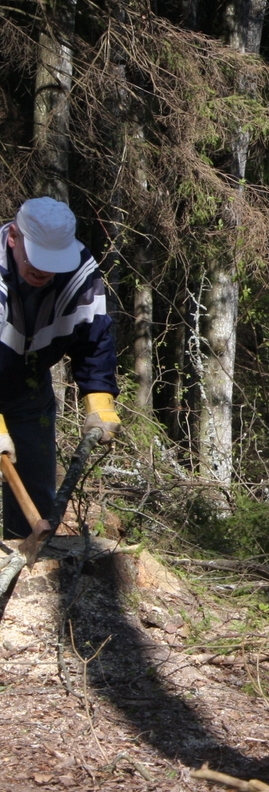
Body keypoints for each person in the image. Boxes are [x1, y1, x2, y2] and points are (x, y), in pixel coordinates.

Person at [0, 197, 120, 538]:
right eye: (37, 260)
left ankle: (24, 566)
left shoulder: (80, 271)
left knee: (35, 489)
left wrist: (99, 397)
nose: (44, 272)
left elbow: (94, 337)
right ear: (13, 237)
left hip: (28, 389)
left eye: (53, 263)